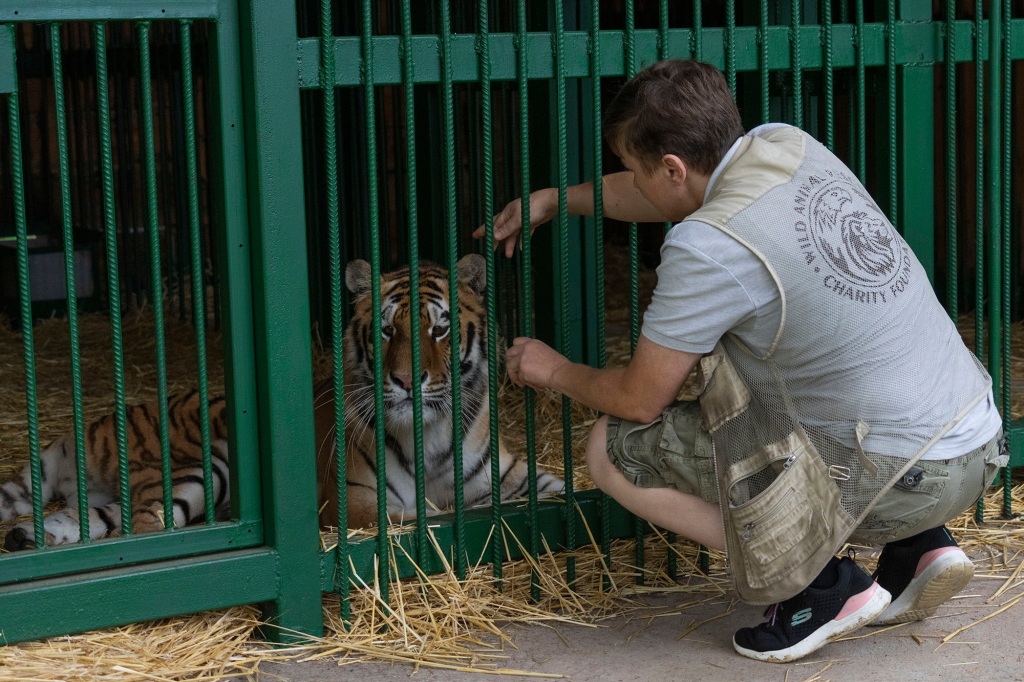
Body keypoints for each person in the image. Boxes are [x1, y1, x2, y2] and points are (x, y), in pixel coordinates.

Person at [474, 59, 1006, 663]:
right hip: (970, 443)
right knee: (793, 362)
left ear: (672, 167)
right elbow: (666, 192)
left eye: (631, 168)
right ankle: (918, 548)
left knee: (614, 447)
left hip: (901, 475)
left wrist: (552, 369)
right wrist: (555, 200)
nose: (629, 180)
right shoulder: (786, 145)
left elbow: (639, 398)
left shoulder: (707, 247)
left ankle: (821, 586)